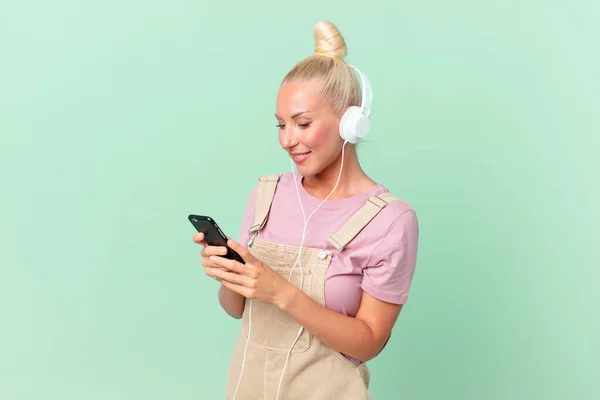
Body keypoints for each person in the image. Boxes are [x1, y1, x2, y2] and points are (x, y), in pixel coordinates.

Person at [192, 21, 419, 400]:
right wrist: (228, 272)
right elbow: (236, 310)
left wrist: (281, 292)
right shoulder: (267, 194)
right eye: (280, 125)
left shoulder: (391, 221)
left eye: (303, 123)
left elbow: (369, 343)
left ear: (351, 123)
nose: (287, 140)